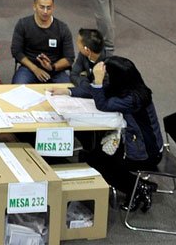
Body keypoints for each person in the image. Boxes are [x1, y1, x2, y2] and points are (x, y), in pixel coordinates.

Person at [62, 57, 164, 212]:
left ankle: (138, 187)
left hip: (145, 152)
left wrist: (98, 80)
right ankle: (136, 186)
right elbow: (96, 91)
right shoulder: (126, 86)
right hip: (134, 142)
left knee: (98, 162)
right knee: (93, 154)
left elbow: (103, 103)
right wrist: (68, 91)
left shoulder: (134, 98)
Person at [10, 0, 74, 83]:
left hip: (55, 70)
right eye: (42, 7)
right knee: (19, 88)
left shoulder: (62, 28)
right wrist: (35, 69)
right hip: (29, 68)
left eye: (49, 8)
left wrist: (52, 67)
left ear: (53, 8)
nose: (45, 11)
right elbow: (16, 52)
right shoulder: (23, 24)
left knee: (67, 91)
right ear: (34, 7)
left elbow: (69, 58)